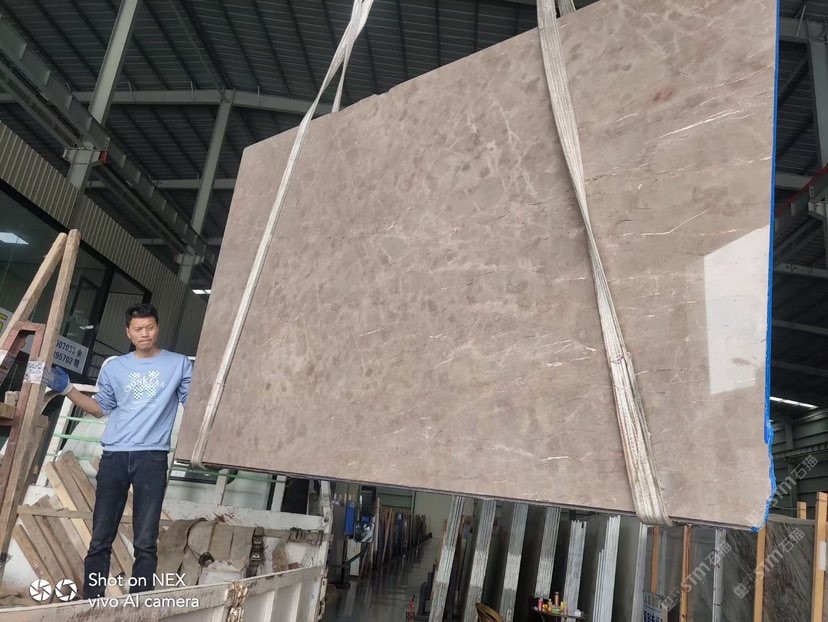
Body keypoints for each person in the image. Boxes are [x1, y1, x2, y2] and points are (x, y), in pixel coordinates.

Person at [46, 303, 192, 599]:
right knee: (100, 538)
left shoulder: (179, 364)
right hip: (114, 457)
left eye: (150, 327)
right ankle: (92, 601)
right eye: (138, 329)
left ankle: (140, 604)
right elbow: (99, 409)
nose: (145, 333)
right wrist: (67, 389)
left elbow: (196, 405)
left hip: (152, 457)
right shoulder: (115, 367)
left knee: (146, 541)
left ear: (158, 328)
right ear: (128, 332)